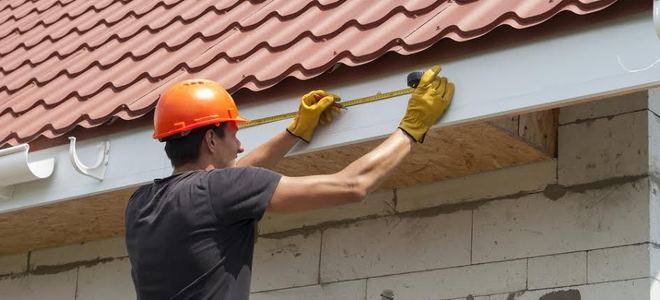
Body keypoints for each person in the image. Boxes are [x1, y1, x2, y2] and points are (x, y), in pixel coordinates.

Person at [124, 65, 454, 300]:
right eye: (235, 135)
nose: (240, 146)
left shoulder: (140, 204)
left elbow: (226, 184)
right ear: (211, 140)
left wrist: (294, 132)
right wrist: (413, 127)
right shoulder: (219, 191)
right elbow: (351, 186)